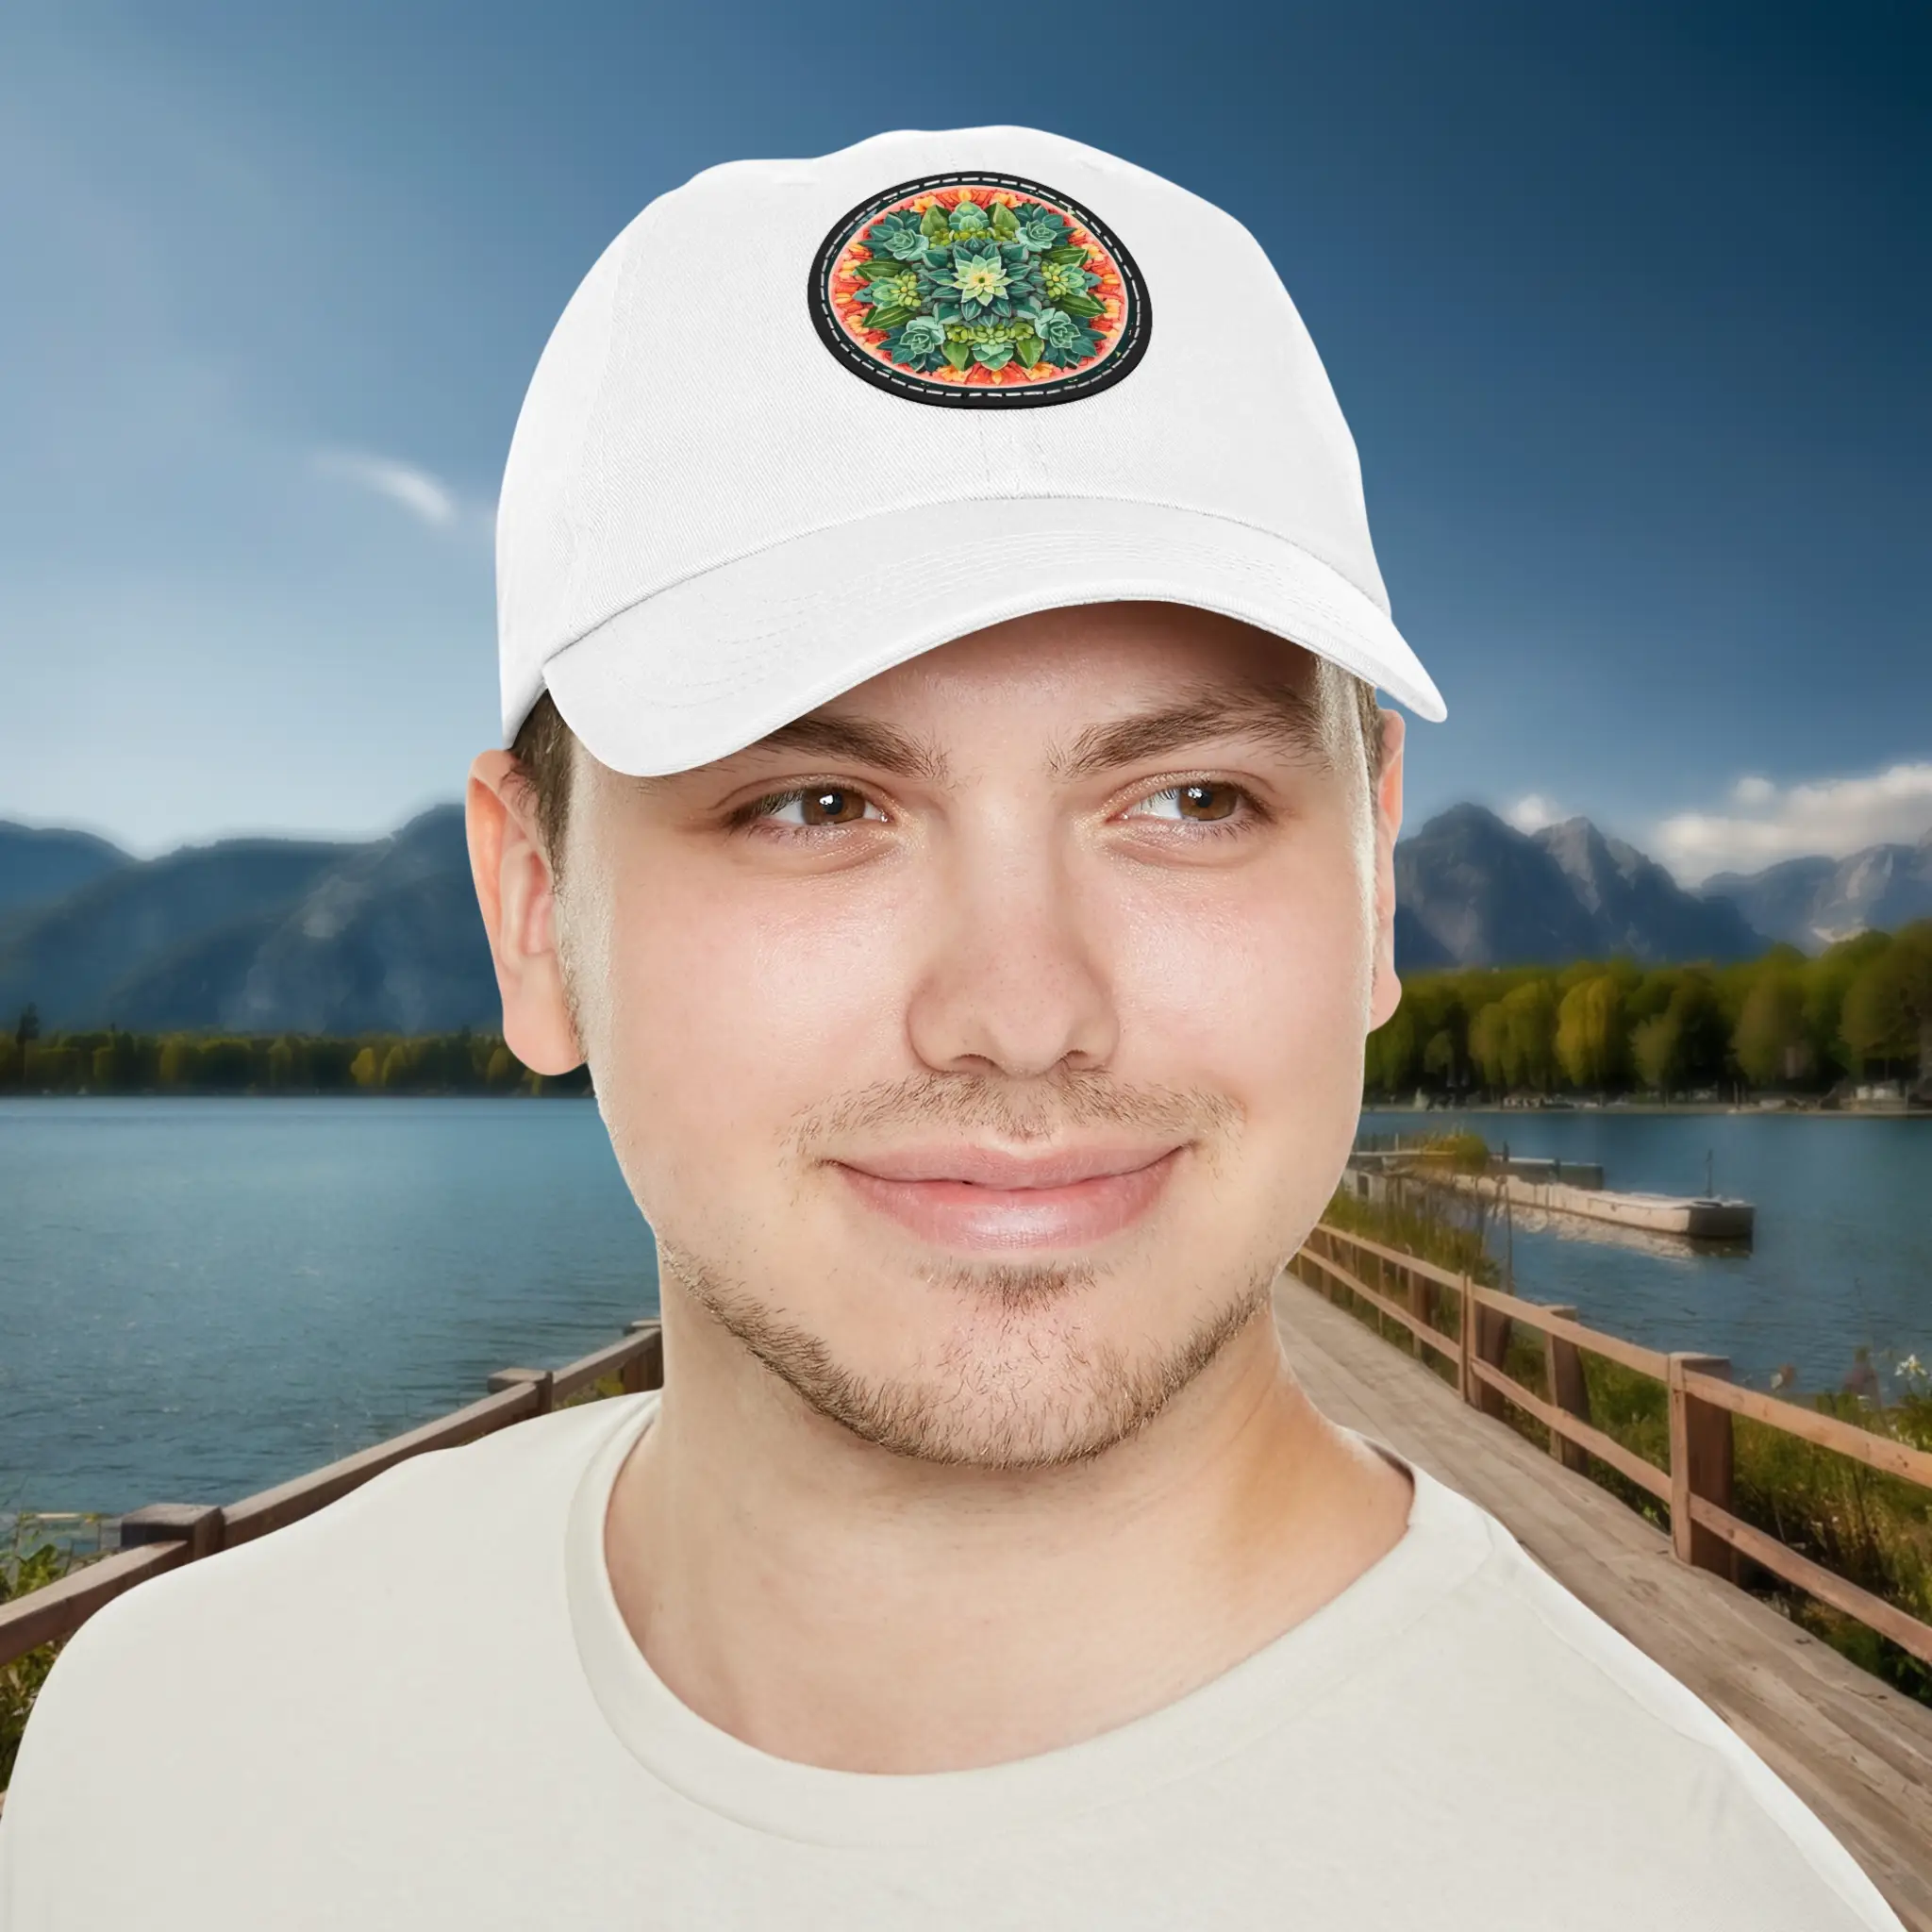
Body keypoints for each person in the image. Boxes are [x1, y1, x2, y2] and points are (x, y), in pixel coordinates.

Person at [0, 125, 1907, 1931]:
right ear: (531, 913)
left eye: (1188, 804)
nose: (1022, 1008)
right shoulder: (150, 1767)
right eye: (815, 805)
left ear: (1375, 875)